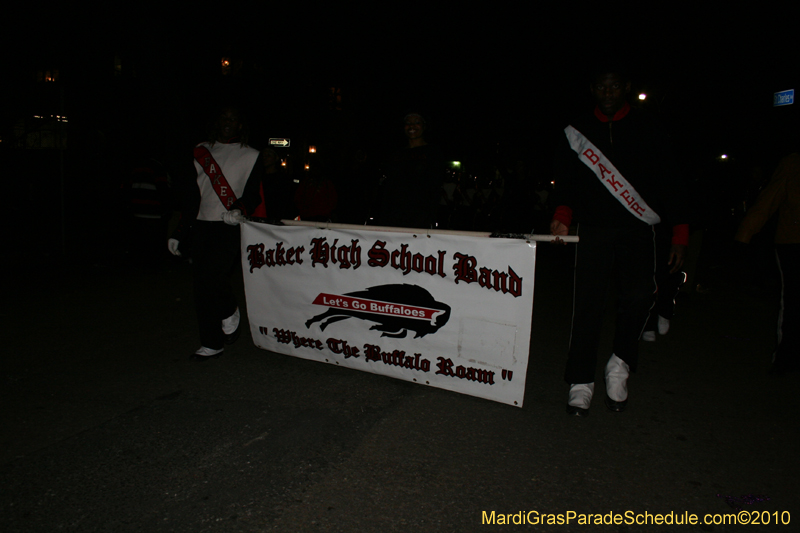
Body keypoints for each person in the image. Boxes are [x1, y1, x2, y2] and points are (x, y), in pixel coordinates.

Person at [550, 66, 689, 416]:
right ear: (593, 89)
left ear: (625, 87)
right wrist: (562, 216)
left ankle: (620, 363)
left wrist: (680, 232)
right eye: (601, 86)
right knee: (587, 305)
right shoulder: (577, 130)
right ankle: (580, 380)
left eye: (614, 86)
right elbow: (566, 181)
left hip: (639, 228)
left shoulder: (649, 127)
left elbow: (671, 181)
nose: (608, 92)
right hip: (594, 228)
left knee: (641, 295)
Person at [168, 106, 266, 361]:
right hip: (201, 224)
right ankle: (212, 343)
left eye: (233, 119)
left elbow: (254, 193)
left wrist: (238, 210)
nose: (228, 123)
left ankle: (229, 308)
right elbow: (192, 196)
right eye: (224, 118)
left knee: (214, 277)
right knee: (201, 286)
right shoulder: (201, 151)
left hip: (229, 225)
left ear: (240, 125)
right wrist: (179, 231)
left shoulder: (252, 155)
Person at [735, 151, 800, 375]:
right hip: (793, 242)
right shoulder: (793, 163)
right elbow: (770, 198)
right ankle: (786, 359)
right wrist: (746, 232)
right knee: (792, 301)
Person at [375, 111, 444, 229]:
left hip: (421, 217)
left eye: (417, 122)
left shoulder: (433, 152)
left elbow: (434, 186)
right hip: (395, 216)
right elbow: (389, 186)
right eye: (408, 123)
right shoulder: (396, 154)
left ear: (424, 126)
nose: (412, 126)